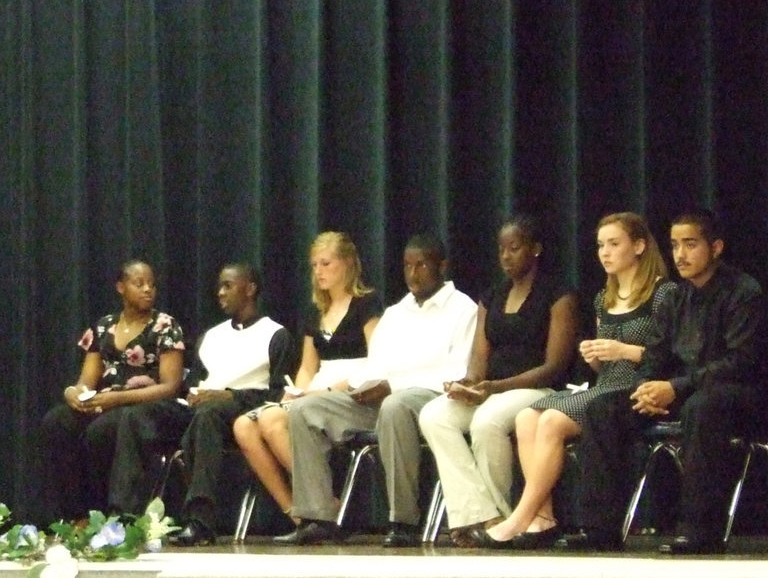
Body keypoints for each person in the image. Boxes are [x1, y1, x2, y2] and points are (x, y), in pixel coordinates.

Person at [559, 210, 765, 554]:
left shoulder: (743, 292)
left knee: (703, 405)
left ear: (715, 247)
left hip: (736, 393)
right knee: (603, 408)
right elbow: (655, 357)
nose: (680, 255)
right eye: (674, 245)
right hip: (680, 390)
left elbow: (740, 362)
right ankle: (600, 528)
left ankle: (699, 531)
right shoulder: (674, 298)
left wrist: (675, 388)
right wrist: (646, 389)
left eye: (690, 244)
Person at [480, 212, 676, 547]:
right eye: (601, 245)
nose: (605, 252)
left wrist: (624, 350)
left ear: (639, 246)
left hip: (638, 389)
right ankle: (542, 520)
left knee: (553, 421)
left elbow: (670, 358)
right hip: (605, 386)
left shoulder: (663, 293)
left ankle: (519, 517)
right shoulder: (605, 297)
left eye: (614, 244)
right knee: (527, 417)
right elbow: (604, 371)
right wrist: (596, 358)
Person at [283, 233, 479, 546]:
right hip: (380, 397)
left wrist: (391, 387)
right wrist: (364, 386)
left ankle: (403, 520)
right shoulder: (397, 312)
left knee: (395, 406)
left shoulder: (463, 309)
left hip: (428, 400)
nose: (413, 274)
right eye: (407, 266)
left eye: (422, 265)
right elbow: (377, 363)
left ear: (441, 266)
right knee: (305, 410)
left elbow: (455, 373)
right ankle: (318, 516)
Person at [418, 215, 578, 547]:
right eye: (501, 249)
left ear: (535, 250)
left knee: (487, 422)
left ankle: (507, 519)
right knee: (434, 415)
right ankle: (482, 515)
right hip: (494, 390)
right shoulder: (491, 296)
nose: (506, 256)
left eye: (514, 248)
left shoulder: (558, 295)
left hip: (537, 391)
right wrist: (467, 384)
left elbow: (554, 366)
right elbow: (479, 360)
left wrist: (495, 387)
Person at [232, 231, 382, 540]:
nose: (319, 272)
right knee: (244, 426)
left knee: (273, 421)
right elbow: (307, 366)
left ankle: (320, 507)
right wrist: (297, 391)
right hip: (316, 389)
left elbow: (376, 363)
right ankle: (301, 514)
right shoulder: (316, 311)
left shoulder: (366, 305)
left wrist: (321, 393)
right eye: (314, 265)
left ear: (347, 264)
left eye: (326, 264)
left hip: (353, 391)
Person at [33, 260, 186, 523]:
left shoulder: (165, 326)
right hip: (105, 402)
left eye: (152, 284)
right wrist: (74, 392)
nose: (148, 289)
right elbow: (86, 382)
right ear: (121, 287)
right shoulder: (103, 326)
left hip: (141, 407)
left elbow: (170, 387)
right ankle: (76, 516)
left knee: (100, 431)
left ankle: (108, 515)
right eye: (139, 284)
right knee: (58, 422)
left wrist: (118, 398)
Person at [163, 264, 295, 546]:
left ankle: (200, 521)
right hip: (200, 407)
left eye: (228, 286)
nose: (220, 293)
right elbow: (194, 382)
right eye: (219, 286)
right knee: (138, 417)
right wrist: (192, 394)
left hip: (240, 410)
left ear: (250, 289)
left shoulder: (276, 335)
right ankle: (125, 518)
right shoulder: (212, 336)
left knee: (208, 416)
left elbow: (278, 395)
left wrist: (230, 396)